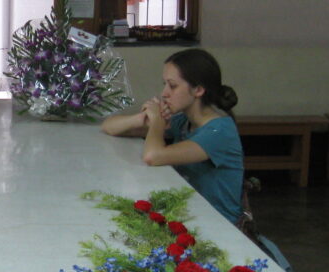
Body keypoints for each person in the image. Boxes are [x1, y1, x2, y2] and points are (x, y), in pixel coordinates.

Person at [101, 48, 244, 224]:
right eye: (165, 85)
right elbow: (109, 126)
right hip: (188, 212)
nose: (164, 93)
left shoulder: (219, 131)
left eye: (173, 86)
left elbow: (153, 156)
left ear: (198, 90)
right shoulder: (183, 120)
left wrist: (156, 122)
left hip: (218, 221)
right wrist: (141, 118)